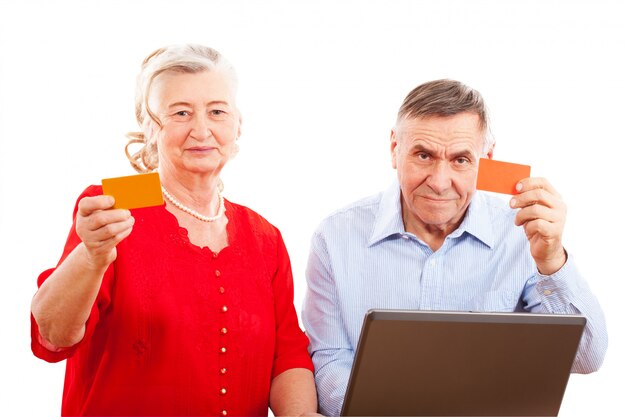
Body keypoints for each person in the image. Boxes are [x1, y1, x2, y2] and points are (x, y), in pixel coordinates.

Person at [31, 44, 318, 417]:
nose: (201, 129)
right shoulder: (114, 201)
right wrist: (91, 256)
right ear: (150, 128)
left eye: (217, 111)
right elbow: (53, 337)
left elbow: (287, 355)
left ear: (237, 125)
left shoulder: (264, 235)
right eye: (181, 113)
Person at [302, 79, 608, 416]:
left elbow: (587, 357)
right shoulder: (335, 237)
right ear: (394, 149)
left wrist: (551, 262)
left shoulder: (521, 234)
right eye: (423, 155)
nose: (439, 181)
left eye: (461, 160)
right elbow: (329, 359)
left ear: (486, 159)